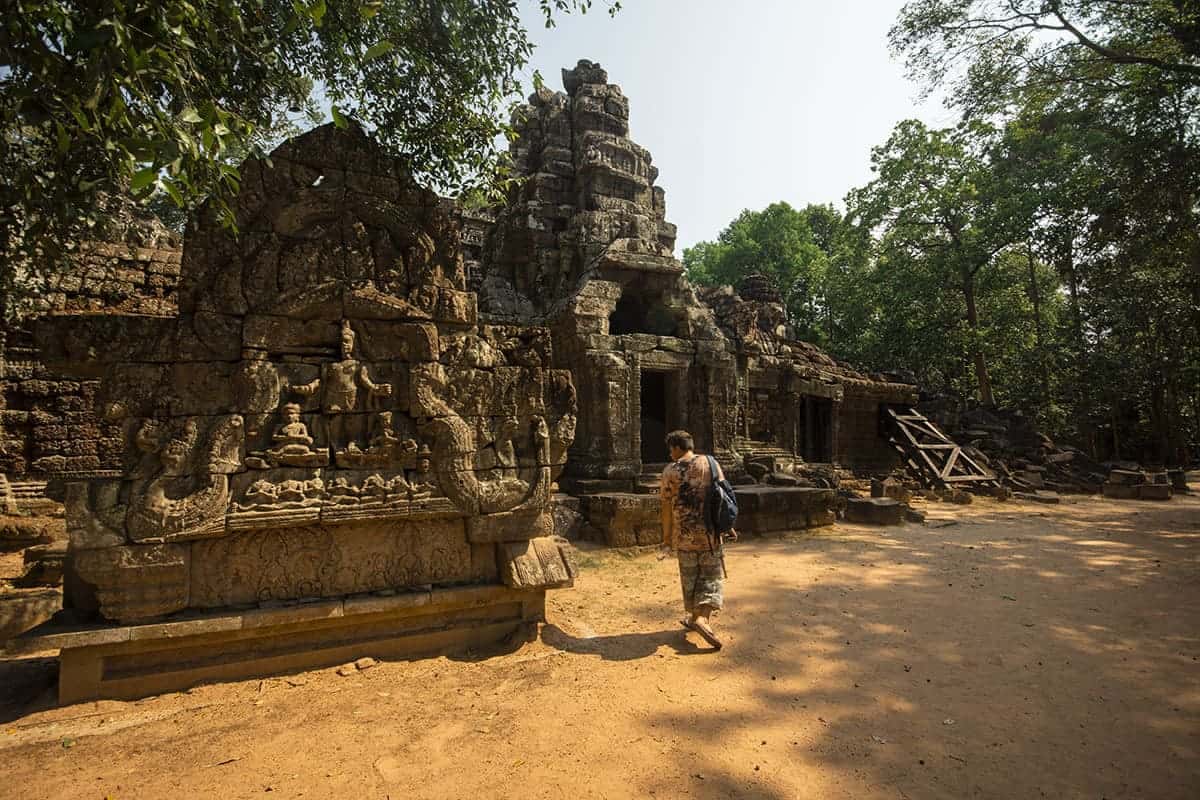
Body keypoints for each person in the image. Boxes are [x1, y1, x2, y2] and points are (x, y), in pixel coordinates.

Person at [658, 429, 736, 649]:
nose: (670, 454)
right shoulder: (710, 463)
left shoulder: (669, 472)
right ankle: (701, 619)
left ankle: (695, 618)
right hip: (710, 535)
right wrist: (728, 526)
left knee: (690, 579)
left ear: (676, 447)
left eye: (670, 450)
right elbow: (724, 497)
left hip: (683, 537)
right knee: (711, 579)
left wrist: (666, 539)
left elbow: (665, 508)